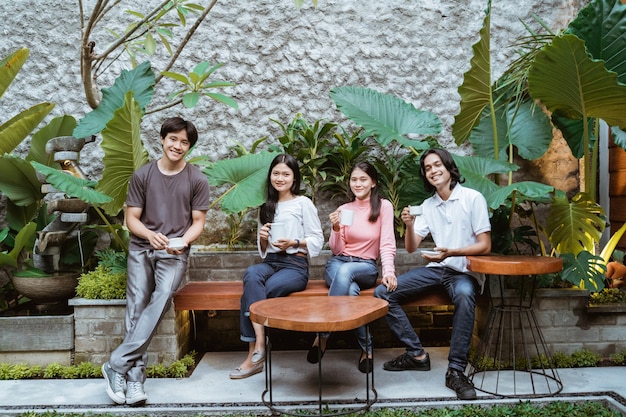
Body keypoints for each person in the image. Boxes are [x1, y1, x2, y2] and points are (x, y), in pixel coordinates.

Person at [102, 117, 210, 406]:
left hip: (175, 253)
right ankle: (134, 380)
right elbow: (131, 220)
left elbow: (198, 222)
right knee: (136, 308)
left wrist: (184, 241)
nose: (178, 145)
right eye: (173, 139)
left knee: (162, 296)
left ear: (189, 147)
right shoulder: (143, 175)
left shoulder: (197, 179)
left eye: (184, 142)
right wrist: (150, 236)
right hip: (141, 248)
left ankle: (116, 364)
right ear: (162, 139)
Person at [374, 148, 491, 400]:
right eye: (427, 168)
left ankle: (456, 371)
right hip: (437, 268)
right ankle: (416, 354)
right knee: (383, 293)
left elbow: (485, 245)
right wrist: (407, 224)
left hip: (463, 272)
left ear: (449, 168)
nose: (433, 171)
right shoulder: (428, 205)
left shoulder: (473, 198)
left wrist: (452, 252)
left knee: (463, 294)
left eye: (437, 165)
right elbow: (412, 246)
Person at [230, 153, 324, 379]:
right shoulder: (266, 205)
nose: (280, 178)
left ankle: (253, 354)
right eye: (276, 173)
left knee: (256, 294)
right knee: (252, 274)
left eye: (286, 174)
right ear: (270, 176)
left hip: (295, 265)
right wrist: (262, 237)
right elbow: (262, 248)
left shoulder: (303, 203)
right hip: (270, 261)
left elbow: (318, 239)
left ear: (294, 178)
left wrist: (295, 242)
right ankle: (261, 347)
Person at [307, 162, 396, 374]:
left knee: (346, 274)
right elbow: (337, 250)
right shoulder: (344, 209)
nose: (358, 183)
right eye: (354, 179)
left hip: (365, 266)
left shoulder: (383, 207)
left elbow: (387, 243)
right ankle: (368, 350)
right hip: (338, 264)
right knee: (350, 290)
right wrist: (336, 229)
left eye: (363, 179)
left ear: (373, 182)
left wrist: (389, 272)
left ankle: (323, 335)